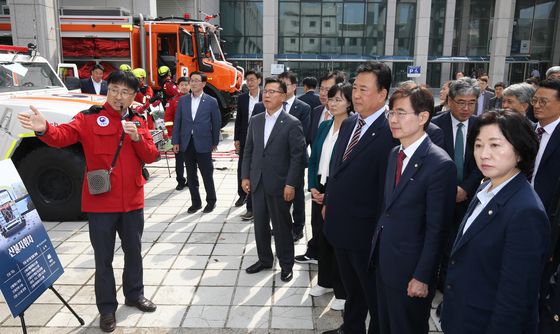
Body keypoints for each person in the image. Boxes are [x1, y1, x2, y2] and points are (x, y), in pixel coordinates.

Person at [18, 70, 160, 333]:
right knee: (103, 259)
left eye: (126, 92)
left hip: (132, 202)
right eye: (115, 90)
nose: (119, 96)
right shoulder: (89, 118)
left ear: (132, 97)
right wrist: (44, 128)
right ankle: (107, 310)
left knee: (134, 253)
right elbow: (62, 136)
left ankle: (134, 294)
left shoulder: (139, 121)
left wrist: (137, 138)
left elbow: (152, 156)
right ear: (108, 91)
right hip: (101, 204)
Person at [441, 110, 549, 333]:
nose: (484, 154)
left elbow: (515, 298)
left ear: (519, 151)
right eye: (478, 145)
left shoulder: (526, 211)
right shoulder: (487, 186)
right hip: (462, 317)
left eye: (495, 145)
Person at [322, 61, 398, 334]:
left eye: (364, 89)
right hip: (340, 224)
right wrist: (329, 200)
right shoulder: (350, 122)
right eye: (355, 87)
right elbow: (337, 169)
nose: (356, 94)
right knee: (351, 287)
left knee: (373, 293)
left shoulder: (392, 131)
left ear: (382, 94)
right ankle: (351, 328)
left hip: (366, 231)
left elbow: (387, 189)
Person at [374, 86, 456, 334]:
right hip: (384, 262)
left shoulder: (439, 165)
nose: (394, 120)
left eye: (401, 113)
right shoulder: (394, 154)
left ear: (423, 117)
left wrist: (422, 276)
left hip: (411, 272)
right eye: (391, 113)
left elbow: (437, 230)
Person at [241, 76, 306, 283]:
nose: (266, 95)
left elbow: (298, 157)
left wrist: (290, 183)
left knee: (281, 227)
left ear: (283, 95)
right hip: (258, 182)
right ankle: (264, 259)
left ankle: (286, 264)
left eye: (272, 92)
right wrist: (245, 176)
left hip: (280, 185)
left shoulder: (291, 123)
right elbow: (248, 151)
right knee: (260, 225)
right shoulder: (256, 120)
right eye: (265, 91)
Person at [432, 77, 483, 299]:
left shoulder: (482, 126)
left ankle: (448, 283)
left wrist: (465, 188)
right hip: (438, 196)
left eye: (471, 102)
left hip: (468, 196)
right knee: (436, 240)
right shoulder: (435, 125)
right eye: (461, 102)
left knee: (459, 243)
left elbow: (483, 163)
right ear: (450, 101)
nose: (466, 108)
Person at [307, 83, 352, 311]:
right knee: (321, 238)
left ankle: (342, 291)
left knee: (338, 243)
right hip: (319, 188)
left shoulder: (353, 128)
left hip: (338, 193)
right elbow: (313, 158)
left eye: (339, 100)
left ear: (350, 103)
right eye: (331, 99)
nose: (333, 103)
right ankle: (324, 281)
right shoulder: (324, 126)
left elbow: (345, 168)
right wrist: (313, 187)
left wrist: (329, 195)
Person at [295, 70, 346, 266]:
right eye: (323, 89)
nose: (325, 95)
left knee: (333, 229)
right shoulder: (317, 112)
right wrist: (312, 185)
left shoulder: (350, 125)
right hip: (319, 181)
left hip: (335, 187)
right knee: (316, 223)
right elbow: (313, 150)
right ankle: (315, 253)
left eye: (330, 91)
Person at [253, 71, 310, 242]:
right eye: (267, 91)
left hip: (293, 164)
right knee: (274, 210)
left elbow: (303, 139)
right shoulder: (260, 111)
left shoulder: (302, 108)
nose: (268, 94)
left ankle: (297, 228)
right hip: (269, 170)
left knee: (297, 198)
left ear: (291, 88)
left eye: (286, 83)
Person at [172, 71, 220, 213]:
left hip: (204, 143)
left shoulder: (211, 101)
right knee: (191, 175)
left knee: (207, 174)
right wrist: (176, 141)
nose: (192, 83)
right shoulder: (183, 100)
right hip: (187, 143)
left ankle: (211, 201)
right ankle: (196, 202)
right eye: (191, 80)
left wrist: (215, 142)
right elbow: (178, 121)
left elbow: (216, 123)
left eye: (196, 81)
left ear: (203, 84)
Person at [234, 70, 262, 220]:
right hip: (246, 138)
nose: (249, 83)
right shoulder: (243, 98)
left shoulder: (266, 96)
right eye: (247, 80)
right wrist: (237, 138)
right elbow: (239, 119)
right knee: (242, 168)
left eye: (252, 80)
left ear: (259, 80)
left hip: (262, 140)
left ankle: (254, 203)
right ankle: (242, 195)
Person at [164, 76, 190, 190]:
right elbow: (168, 120)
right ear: (178, 86)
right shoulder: (173, 101)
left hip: (191, 136)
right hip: (179, 136)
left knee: (191, 160)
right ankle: (180, 181)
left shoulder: (195, 99)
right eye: (182, 85)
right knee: (179, 160)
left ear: (190, 85)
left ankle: (191, 180)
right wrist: (171, 136)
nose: (184, 87)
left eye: (186, 84)